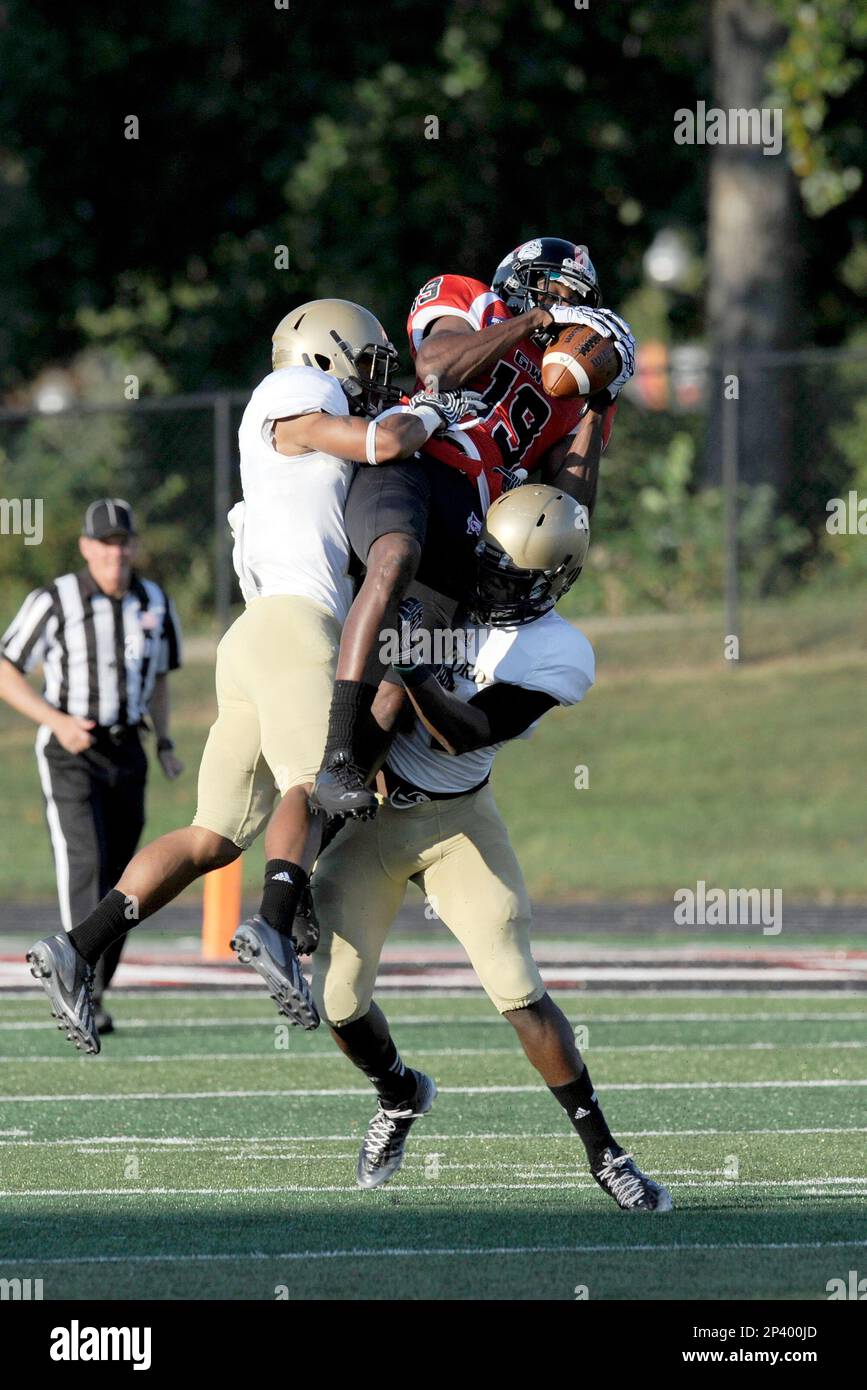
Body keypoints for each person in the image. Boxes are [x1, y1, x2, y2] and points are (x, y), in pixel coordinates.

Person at [24, 300, 482, 1054]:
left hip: (255, 637)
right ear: (321, 357)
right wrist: (431, 410)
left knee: (211, 837)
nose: (372, 380)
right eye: (364, 363)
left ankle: (80, 944)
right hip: (294, 627)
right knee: (316, 784)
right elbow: (380, 437)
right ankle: (270, 923)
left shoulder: (295, 428)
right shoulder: (289, 397)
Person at [309, 484, 672, 1212]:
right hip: (376, 818)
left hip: (457, 821)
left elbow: (464, 734)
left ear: (553, 580)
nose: (490, 583)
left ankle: (604, 1151)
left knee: (515, 984)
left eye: (512, 575)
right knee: (338, 1001)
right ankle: (399, 1095)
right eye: (490, 564)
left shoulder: (558, 652)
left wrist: (410, 668)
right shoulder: (443, 581)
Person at [311, 236, 636, 818]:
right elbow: (435, 367)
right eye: (552, 290)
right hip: (418, 462)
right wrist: (533, 321)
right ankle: (336, 753)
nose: (562, 307)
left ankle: (327, 832)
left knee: (399, 686)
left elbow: (568, 504)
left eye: (574, 302)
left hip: (471, 517)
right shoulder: (474, 300)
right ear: (520, 281)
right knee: (392, 561)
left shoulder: (575, 392)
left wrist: (595, 402)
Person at [1, 499, 183, 1034]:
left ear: (133, 545)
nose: (114, 552)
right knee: (85, 862)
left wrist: (166, 741)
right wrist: (55, 721)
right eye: (104, 543)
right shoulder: (54, 600)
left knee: (126, 878)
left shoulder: (152, 600)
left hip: (127, 750)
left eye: (122, 541)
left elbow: (162, 679)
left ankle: (95, 990)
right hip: (70, 751)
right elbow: (7, 669)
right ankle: (77, 987)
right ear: (86, 547)